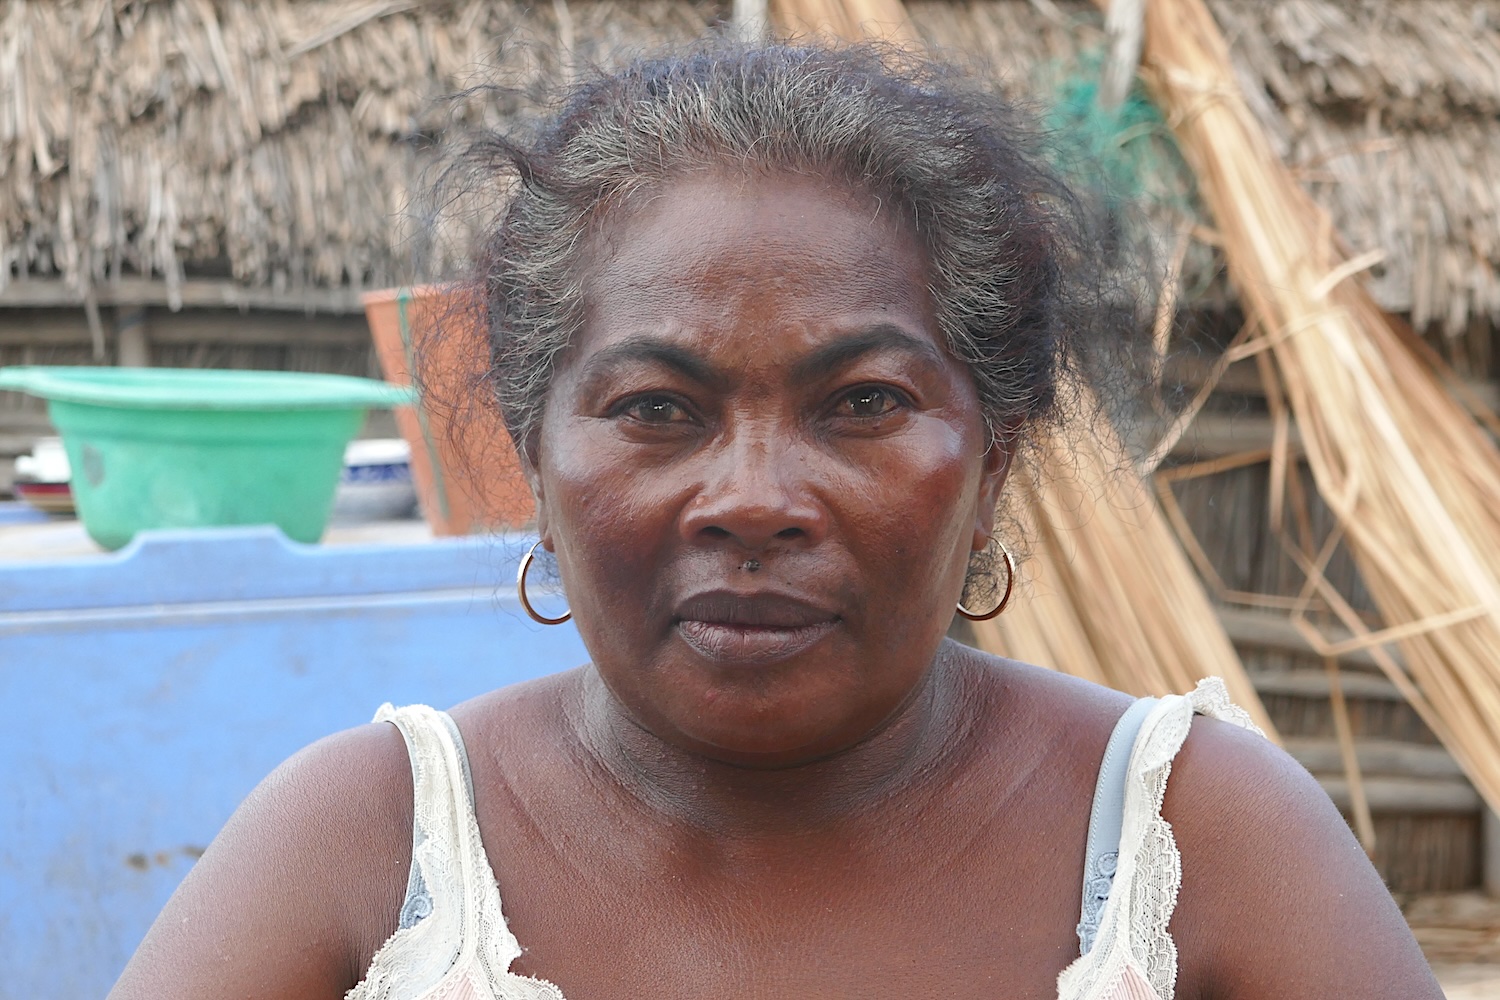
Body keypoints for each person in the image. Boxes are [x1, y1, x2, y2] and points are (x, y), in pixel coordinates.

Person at [110, 43, 1444, 1000]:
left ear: (990, 463)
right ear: (536, 458)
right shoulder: (371, 846)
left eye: (861, 401)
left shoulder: (1194, 844)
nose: (752, 496)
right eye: (655, 407)